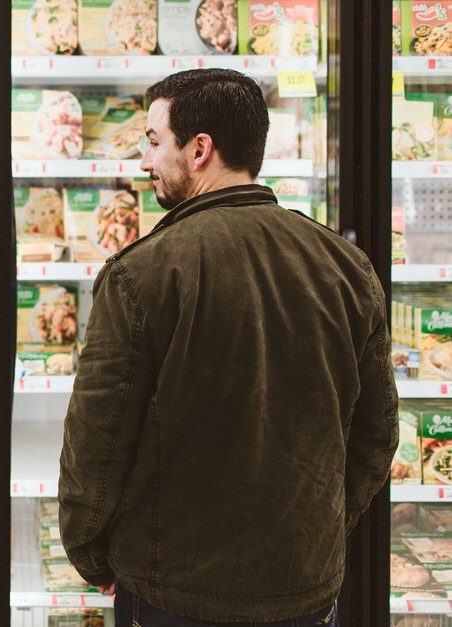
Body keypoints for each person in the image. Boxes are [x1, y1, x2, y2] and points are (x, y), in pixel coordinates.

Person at [58, 69, 397, 626]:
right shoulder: (344, 266)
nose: (145, 162)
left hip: (175, 591)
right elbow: (376, 433)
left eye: (152, 141)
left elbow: (99, 440)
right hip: (304, 587)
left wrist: (92, 555)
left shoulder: (142, 273)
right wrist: (320, 529)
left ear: (199, 150)